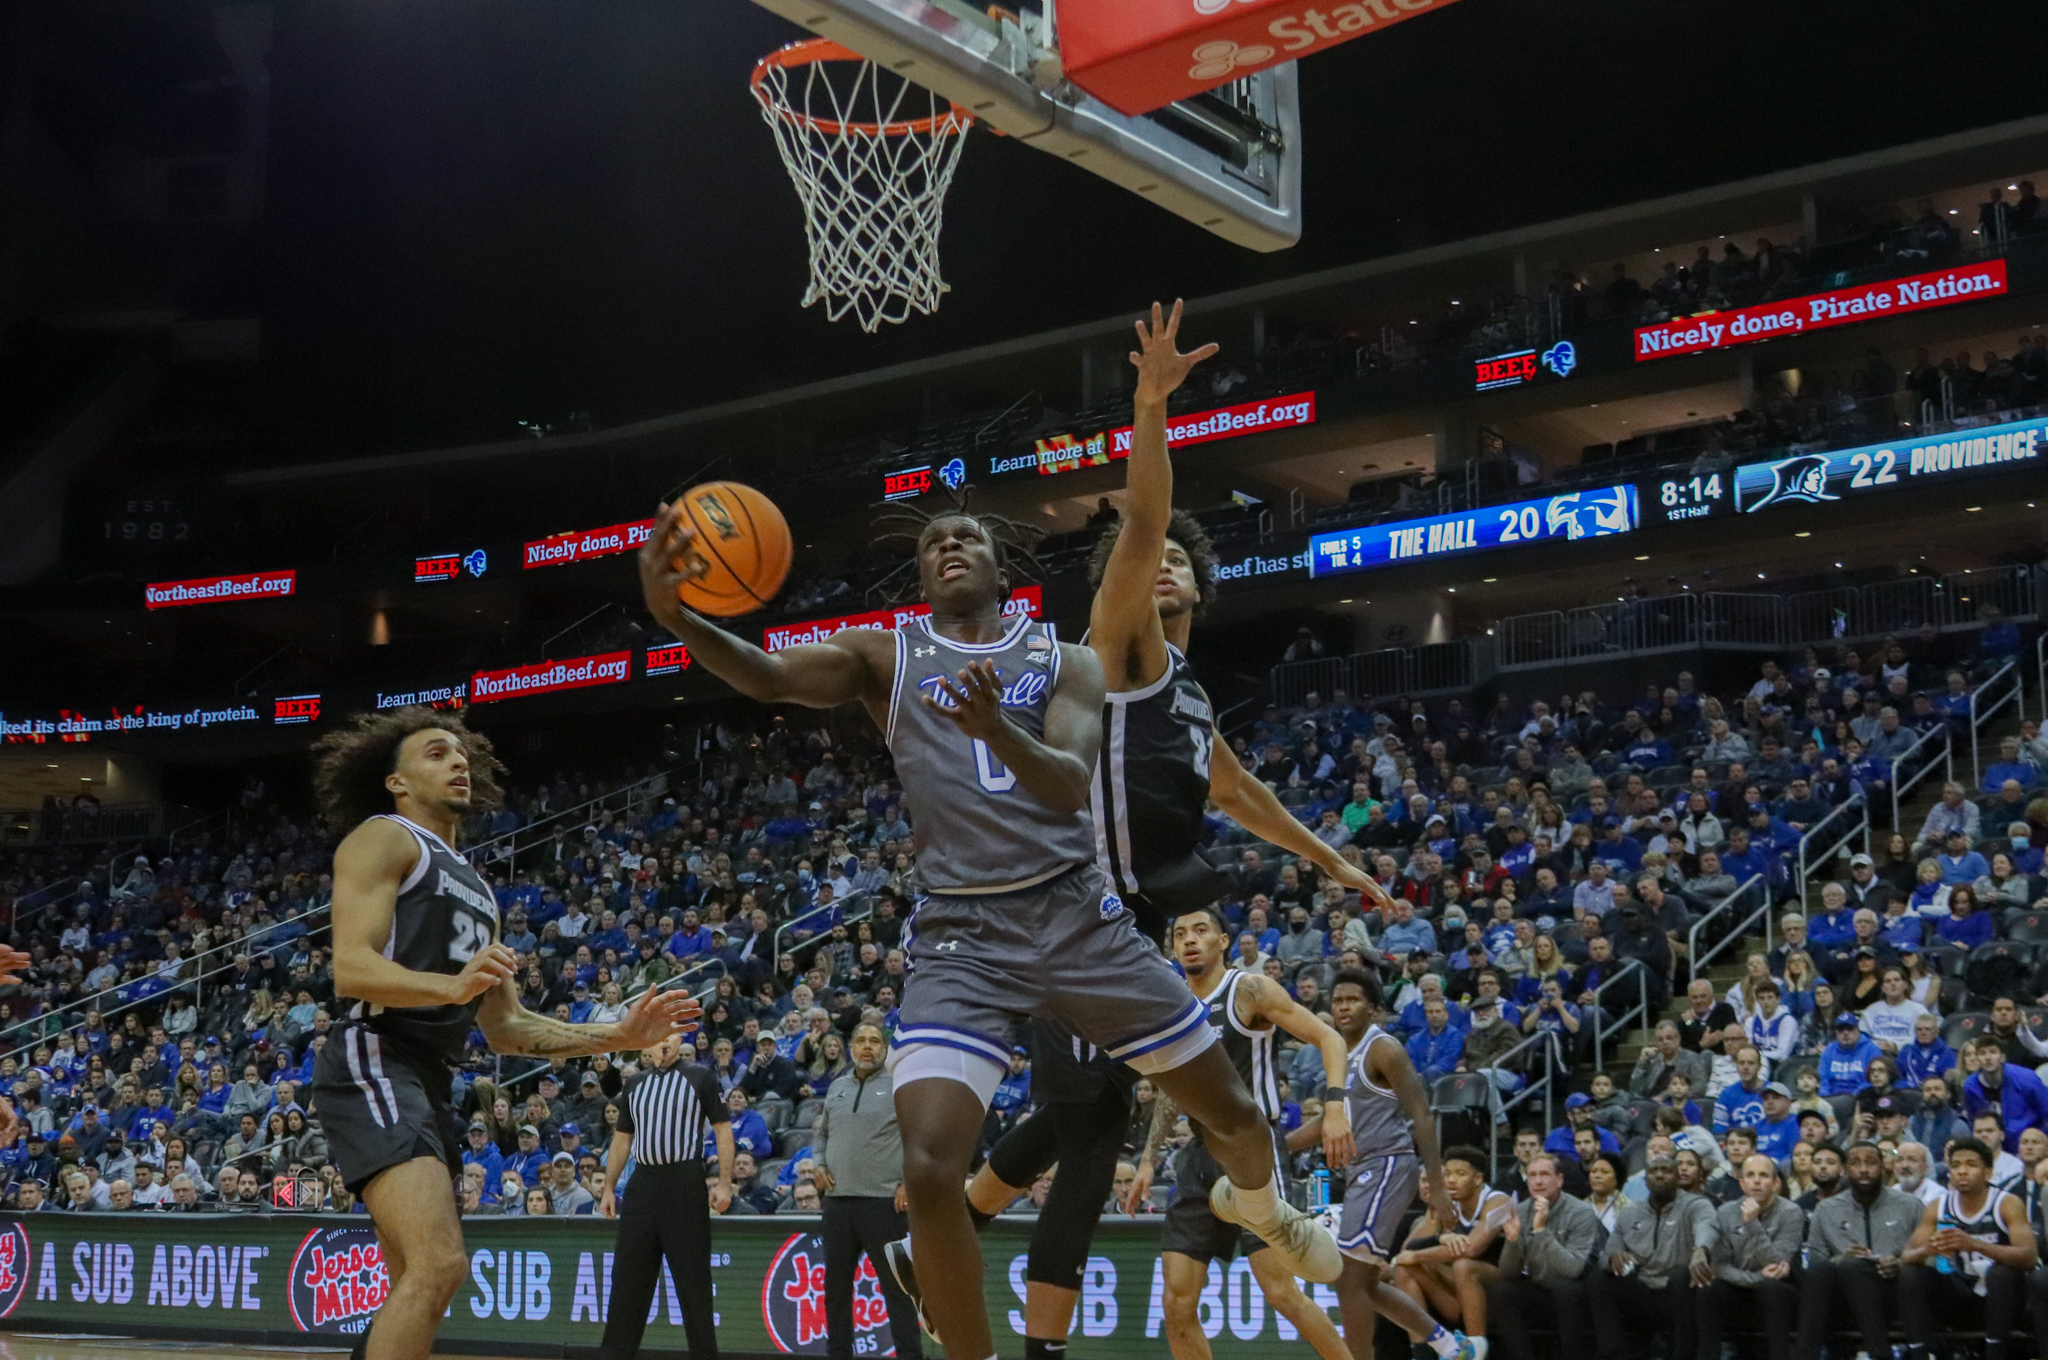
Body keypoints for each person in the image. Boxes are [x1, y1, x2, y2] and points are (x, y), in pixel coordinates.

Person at [638, 383, 1336, 1360]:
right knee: (928, 1172)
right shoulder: (883, 654)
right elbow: (765, 674)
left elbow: (1061, 786)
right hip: (961, 936)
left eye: (961, 536)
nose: (945, 547)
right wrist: (678, 619)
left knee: (1230, 1113)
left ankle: (1268, 1213)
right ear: (920, 575)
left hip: (1076, 921)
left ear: (1001, 561)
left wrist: (990, 726)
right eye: (929, 544)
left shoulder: (1067, 661)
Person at [887, 303, 1382, 1358]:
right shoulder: (1115, 649)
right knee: (1091, 1127)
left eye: (1170, 567)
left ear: (1205, 586)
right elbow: (1146, 525)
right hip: (1065, 910)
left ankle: (941, 1239)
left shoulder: (1191, 695)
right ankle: (1015, 1320)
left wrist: (1333, 860)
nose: (1153, 570)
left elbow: (1241, 795)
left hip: (1130, 932)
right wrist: (1150, 409)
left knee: (1092, 1115)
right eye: (1137, 562)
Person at [311, 709, 695, 1360]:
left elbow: (509, 1030)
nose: (457, 762)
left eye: (461, 754)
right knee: (441, 1264)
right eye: (436, 754)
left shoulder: (480, 893)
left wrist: (618, 1037)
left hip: (429, 1077)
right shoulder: (383, 837)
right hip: (373, 1052)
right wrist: (452, 988)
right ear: (396, 782)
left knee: (416, 1283)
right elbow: (351, 967)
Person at [1131, 907, 1361, 1360]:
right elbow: (1170, 1089)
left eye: (1201, 931)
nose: (1189, 940)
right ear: (1172, 948)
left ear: (1223, 941)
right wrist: (1146, 1160)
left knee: (1281, 1292)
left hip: (1253, 1150)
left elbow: (1330, 1039)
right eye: (1180, 934)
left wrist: (1335, 1106)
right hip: (1199, 1154)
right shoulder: (1174, 1003)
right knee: (1177, 1304)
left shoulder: (1249, 990)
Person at [1287, 970, 1476, 1360]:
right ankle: (1450, 1347)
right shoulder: (1336, 1051)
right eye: (1337, 1000)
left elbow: (1422, 1115)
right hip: (1363, 1171)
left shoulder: (1384, 1048)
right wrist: (1282, 1144)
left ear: (1373, 1009)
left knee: (1348, 1281)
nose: (1342, 1007)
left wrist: (1438, 1187)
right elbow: (1332, 1119)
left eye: (1352, 1000)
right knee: (1368, 1285)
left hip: (1388, 1165)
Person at [597, 1032, 732, 1360]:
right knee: (627, 1280)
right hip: (642, 1185)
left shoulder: (700, 1076)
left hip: (684, 1182)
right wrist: (609, 1188)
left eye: (670, 1036)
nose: (664, 1043)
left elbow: (723, 1129)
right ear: (646, 1044)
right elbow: (622, 1139)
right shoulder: (635, 1084)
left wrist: (724, 1182)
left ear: (679, 1038)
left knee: (693, 1283)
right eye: (657, 1037)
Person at [813, 1024, 923, 1360]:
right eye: (860, 1040)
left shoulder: (898, 1085)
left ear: (885, 1048)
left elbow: (918, 1137)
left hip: (883, 1203)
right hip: (837, 1203)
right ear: (850, 1047)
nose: (867, 1047)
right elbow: (822, 1133)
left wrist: (909, 1183)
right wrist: (818, 1163)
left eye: (875, 1041)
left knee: (898, 1290)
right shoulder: (837, 1087)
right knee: (836, 1292)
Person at [1899, 1137, 2035, 1360]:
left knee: (2002, 1273)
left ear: (1988, 1173)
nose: (1962, 1171)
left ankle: (1995, 1351)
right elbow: (1906, 1256)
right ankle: (1918, 1352)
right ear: (1949, 1173)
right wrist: (1928, 1249)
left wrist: (1974, 1244)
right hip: (1960, 1296)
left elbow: (2029, 1256)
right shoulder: (1938, 1207)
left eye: (1971, 1165)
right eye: (1956, 1166)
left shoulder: (2007, 1203)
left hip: (2004, 1299)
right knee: (1910, 1272)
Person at [1796, 1140, 1920, 1360]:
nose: (1863, 1169)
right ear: (1844, 1169)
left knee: (1856, 1269)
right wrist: (1842, 1259)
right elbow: (1815, 1262)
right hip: (1842, 1299)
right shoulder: (1826, 1209)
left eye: (1871, 1163)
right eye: (1855, 1163)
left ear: (1883, 1167)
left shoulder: (1910, 1205)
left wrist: (1900, 1264)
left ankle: (1880, 1355)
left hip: (1892, 1292)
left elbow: (1929, 1255)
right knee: (1832, 1270)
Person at [1588, 1152, 1712, 1360]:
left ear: (1677, 1177)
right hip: (1642, 1293)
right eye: (1654, 1171)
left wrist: (1701, 1251)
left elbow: (1706, 1227)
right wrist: (1613, 1258)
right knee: (1597, 1278)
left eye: (1667, 1170)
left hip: (1678, 1294)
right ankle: (1613, 1353)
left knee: (1680, 1276)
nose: (1660, 1175)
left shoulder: (1696, 1205)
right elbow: (1605, 1256)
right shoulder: (1629, 1212)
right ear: (1645, 1180)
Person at [1388, 1145, 1513, 1340]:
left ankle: (1476, 1346)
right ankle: (1422, 1351)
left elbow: (1472, 1248)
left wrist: (1417, 1255)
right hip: (1457, 1288)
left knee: (1463, 1266)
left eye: (1460, 1174)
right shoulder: (1446, 1203)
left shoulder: (1498, 1201)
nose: (1451, 1180)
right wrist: (1439, 1238)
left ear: (1478, 1179)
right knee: (1404, 1269)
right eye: (1447, 1174)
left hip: (1500, 1276)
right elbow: (1407, 1249)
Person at [1485, 1151, 1600, 1360]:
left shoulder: (1581, 1211)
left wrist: (1540, 1231)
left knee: (1567, 1290)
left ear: (1559, 1180)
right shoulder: (1519, 1211)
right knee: (1500, 1291)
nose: (1537, 1181)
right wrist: (1512, 1240)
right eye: (1532, 1175)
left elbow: (1572, 1269)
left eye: (1544, 1175)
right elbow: (1508, 1273)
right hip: (1538, 1289)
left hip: (1573, 1292)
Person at [1697, 1153, 1806, 1360]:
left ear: (1775, 1183)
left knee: (1772, 1288)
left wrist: (1752, 1223)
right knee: (1709, 1290)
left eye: (1764, 1175)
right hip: (1740, 1288)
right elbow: (1719, 1266)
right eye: (1751, 1175)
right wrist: (1755, 1279)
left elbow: (1776, 1265)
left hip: (1780, 1292)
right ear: (1742, 1183)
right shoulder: (1726, 1212)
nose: (1757, 1181)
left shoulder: (1791, 1212)